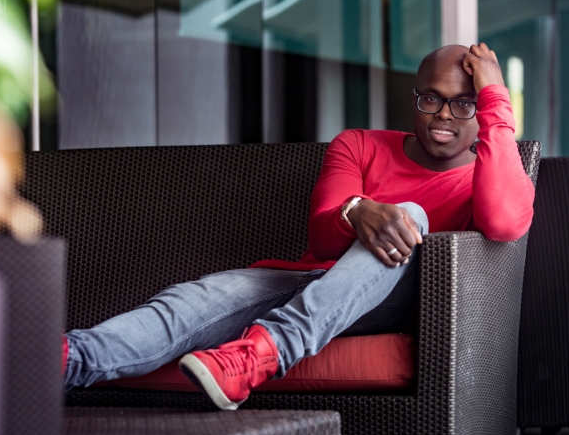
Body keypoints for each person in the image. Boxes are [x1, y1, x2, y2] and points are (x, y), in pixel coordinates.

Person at [62, 42, 535, 410]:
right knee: (194, 300)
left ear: (484, 110)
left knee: (409, 215)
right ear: (415, 97)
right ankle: (63, 361)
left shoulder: (485, 175)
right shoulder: (359, 144)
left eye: (465, 104)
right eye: (431, 98)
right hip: (312, 280)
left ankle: (265, 352)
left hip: (402, 300)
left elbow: (504, 221)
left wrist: (497, 97)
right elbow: (322, 237)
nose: (443, 117)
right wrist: (356, 211)